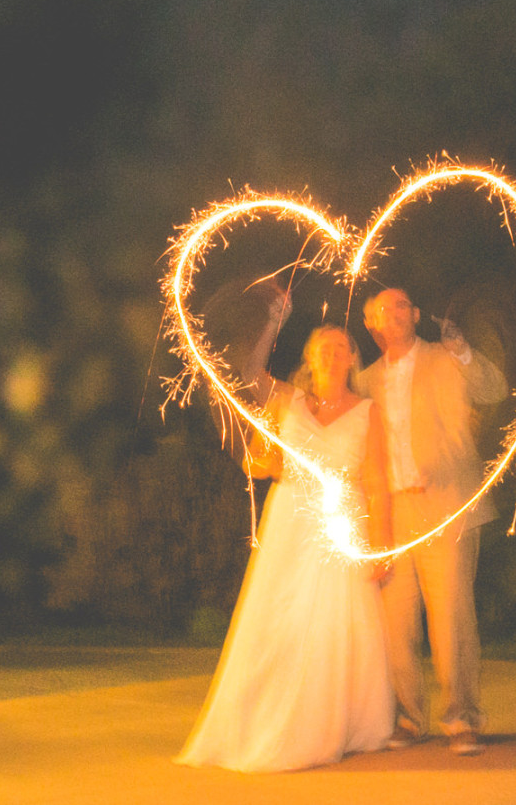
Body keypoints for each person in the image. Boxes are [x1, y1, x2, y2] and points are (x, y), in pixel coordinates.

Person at [176, 293, 395, 772]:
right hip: (290, 522)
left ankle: (337, 722)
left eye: (341, 348)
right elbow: (254, 415)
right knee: (280, 620)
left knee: (336, 626)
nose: (332, 355)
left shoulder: (367, 411)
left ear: (353, 358)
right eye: (323, 347)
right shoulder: (285, 401)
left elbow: (378, 484)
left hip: (342, 524)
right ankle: (267, 718)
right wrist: (274, 321)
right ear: (309, 357)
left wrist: (381, 547)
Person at [357, 287, 509, 756]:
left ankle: (462, 719)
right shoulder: (366, 383)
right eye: (385, 309)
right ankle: (409, 717)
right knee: (396, 624)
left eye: (403, 305)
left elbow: (494, 389)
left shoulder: (446, 358)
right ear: (373, 324)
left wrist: (463, 349)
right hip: (393, 514)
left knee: (452, 618)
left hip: (447, 505)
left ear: (416, 315)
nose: (395, 313)